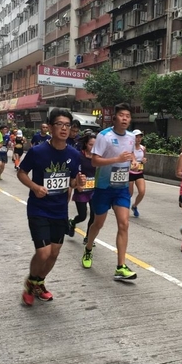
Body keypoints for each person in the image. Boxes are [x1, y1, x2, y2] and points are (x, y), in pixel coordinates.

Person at [17, 108, 86, 306]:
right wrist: (35, 187)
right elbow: (21, 173)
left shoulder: (74, 154)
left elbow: (72, 182)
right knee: (43, 253)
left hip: (60, 210)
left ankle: (39, 282)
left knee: (54, 253)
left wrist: (78, 183)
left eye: (67, 125)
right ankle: (30, 283)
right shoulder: (38, 151)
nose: (64, 129)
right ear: (50, 126)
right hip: (38, 208)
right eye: (59, 124)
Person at [81, 102, 138, 280]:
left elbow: (131, 154)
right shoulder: (104, 136)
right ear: (114, 118)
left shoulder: (131, 137)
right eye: (121, 115)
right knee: (98, 223)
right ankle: (88, 248)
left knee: (124, 224)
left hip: (121, 188)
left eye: (127, 116)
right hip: (103, 187)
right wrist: (117, 159)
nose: (125, 119)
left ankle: (120, 266)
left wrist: (133, 161)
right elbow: (95, 161)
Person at [68, 132, 97, 250]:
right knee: (83, 215)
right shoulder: (79, 156)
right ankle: (73, 222)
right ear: (85, 144)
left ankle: (88, 238)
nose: (93, 147)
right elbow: (74, 171)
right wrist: (77, 183)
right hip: (82, 189)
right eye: (91, 145)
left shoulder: (98, 157)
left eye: (95, 145)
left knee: (94, 215)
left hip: (94, 189)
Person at [129, 129, 147, 218]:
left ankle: (134, 206)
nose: (139, 139)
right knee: (130, 193)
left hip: (139, 172)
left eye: (140, 137)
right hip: (130, 172)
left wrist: (143, 161)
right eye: (137, 137)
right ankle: (124, 209)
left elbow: (143, 159)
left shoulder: (143, 148)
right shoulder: (129, 148)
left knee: (142, 191)